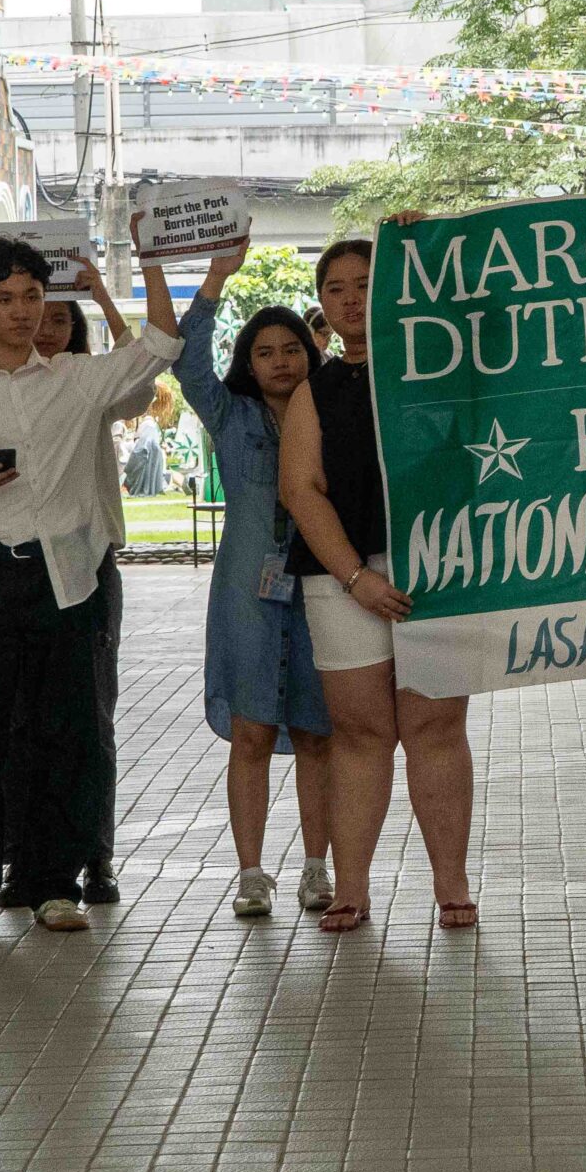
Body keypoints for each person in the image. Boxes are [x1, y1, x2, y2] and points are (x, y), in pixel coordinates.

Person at [0, 238, 181, 938]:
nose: (22, 311)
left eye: (32, 296)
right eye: (4, 298)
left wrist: (151, 262)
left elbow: (157, 345)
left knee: (70, 728)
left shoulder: (74, 377)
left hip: (68, 574)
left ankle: (58, 883)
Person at [280, 236, 475, 933]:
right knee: (361, 732)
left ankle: (451, 884)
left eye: (366, 282)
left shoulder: (441, 369)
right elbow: (301, 489)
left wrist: (425, 246)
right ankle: (352, 888)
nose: (352, 296)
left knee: (435, 724)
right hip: (342, 578)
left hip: (437, 571)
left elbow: (509, 319)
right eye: (336, 287)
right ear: (323, 306)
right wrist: (357, 576)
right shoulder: (315, 390)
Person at [0, 281, 144, 907]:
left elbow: (145, 363)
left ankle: (82, 862)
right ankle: (1, 870)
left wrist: (105, 289)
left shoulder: (82, 384)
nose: (36, 320)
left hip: (83, 565)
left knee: (80, 719)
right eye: (14, 302)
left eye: (52, 310)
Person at [174, 252, 335, 919]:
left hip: (324, 586)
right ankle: (250, 873)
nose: (279, 361)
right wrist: (215, 277)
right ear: (250, 360)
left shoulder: (334, 409)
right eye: (264, 351)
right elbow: (186, 359)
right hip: (246, 591)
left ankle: (317, 869)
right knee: (251, 733)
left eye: (291, 348)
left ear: (310, 352)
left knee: (319, 732)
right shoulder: (229, 413)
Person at [121, 396, 167, 497]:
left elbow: (141, 448)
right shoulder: (151, 426)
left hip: (146, 453)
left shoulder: (147, 425)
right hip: (150, 452)